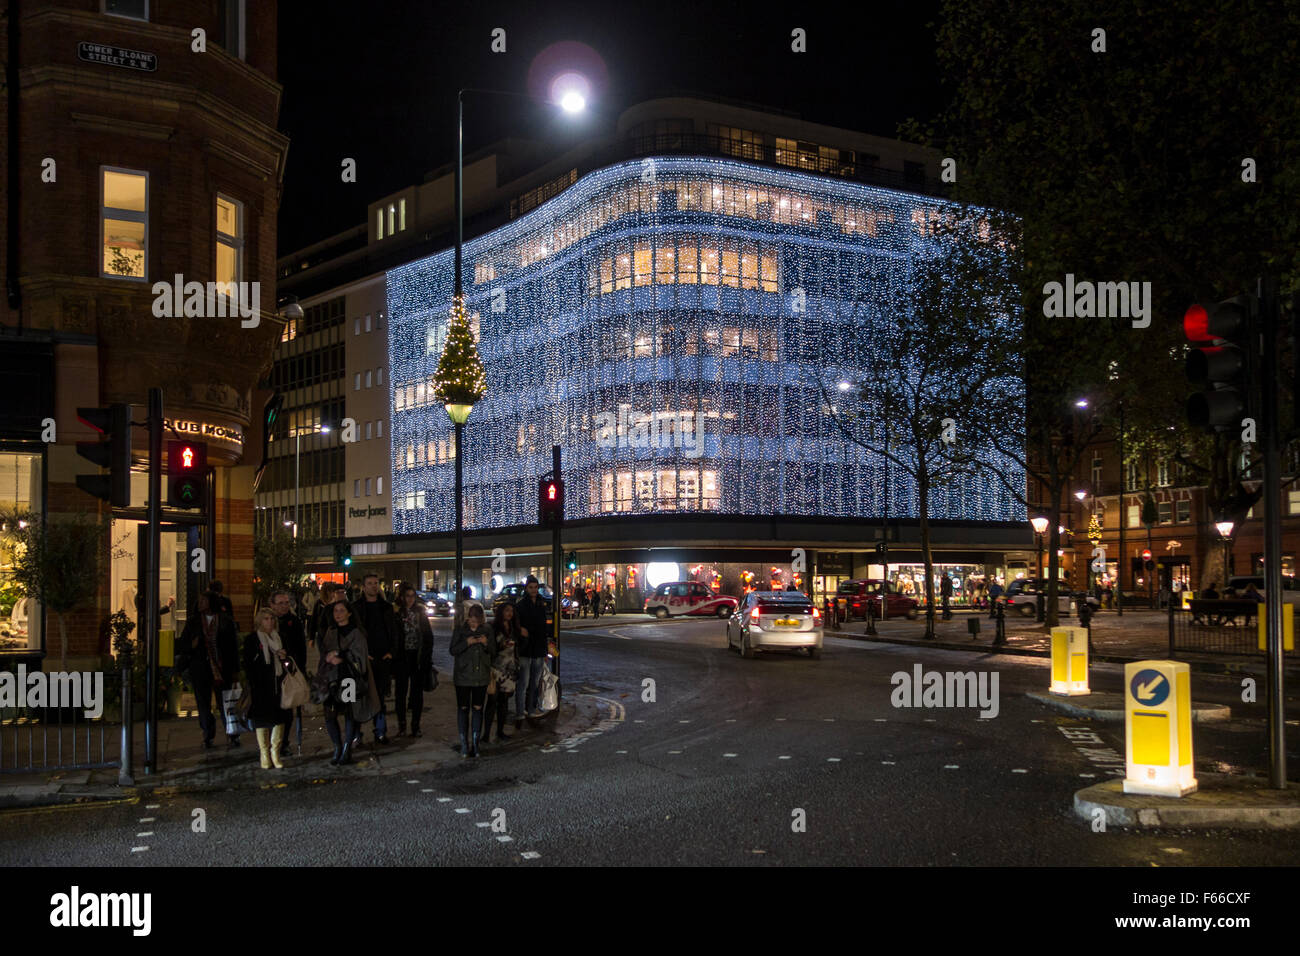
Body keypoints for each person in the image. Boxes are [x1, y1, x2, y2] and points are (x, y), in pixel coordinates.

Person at [318, 600, 379, 765]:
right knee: (329, 714)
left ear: (349, 613)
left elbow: (359, 656)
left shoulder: (356, 633)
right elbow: (323, 650)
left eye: (341, 610)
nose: (338, 614)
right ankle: (337, 746)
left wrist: (342, 656)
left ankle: (347, 748)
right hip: (331, 678)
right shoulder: (331, 631)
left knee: (349, 714)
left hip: (348, 678)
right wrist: (328, 656)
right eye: (335, 611)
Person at [177, 591, 240, 749]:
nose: (200, 604)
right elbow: (183, 644)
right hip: (201, 668)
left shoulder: (225, 621)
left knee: (225, 702)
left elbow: (233, 648)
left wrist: (235, 671)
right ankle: (207, 733)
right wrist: (192, 645)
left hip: (221, 668)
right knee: (203, 703)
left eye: (204, 601)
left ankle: (232, 733)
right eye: (199, 601)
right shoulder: (194, 622)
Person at [243, 608, 293, 770]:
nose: (269, 622)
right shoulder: (252, 639)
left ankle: (275, 752)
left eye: (272, 618)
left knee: (280, 718)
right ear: (259, 621)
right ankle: (264, 753)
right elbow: (248, 663)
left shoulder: (281, 638)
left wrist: (285, 658)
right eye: (266, 619)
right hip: (261, 685)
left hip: (279, 685)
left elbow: (290, 664)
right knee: (262, 720)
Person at [354, 572, 399, 744]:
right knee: (357, 696)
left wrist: (391, 653)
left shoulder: (386, 607)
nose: (373, 586)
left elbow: (394, 632)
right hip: (362, 659)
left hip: (382, 658)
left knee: (379, 697)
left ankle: (380, 731)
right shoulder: (356, 607)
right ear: (364, 587)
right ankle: (356, 733)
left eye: (376, 583)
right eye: (370, 583)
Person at [450, 603, 496, 757]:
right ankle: (464, 744)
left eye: (477, 619)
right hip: (463, 677)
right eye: (471, 619)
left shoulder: (487, 630)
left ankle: (475, 745)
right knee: (463, 709)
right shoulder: (460, 630)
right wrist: (467, 643)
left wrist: (485, 643)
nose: (474, 622)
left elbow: (493, 650)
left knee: (477, 709)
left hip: (481, 676)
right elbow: (453, 650)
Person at [394, 585, 435, 737]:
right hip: (402, 657)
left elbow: (428, 637)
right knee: (400, 693)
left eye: (412, 595)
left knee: (417, 693)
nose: (410, 598)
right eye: (407, 596)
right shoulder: (397, 613)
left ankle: (415, 726)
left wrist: (426, 657)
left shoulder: (420, 612)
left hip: (417, 657)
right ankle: (402, 725)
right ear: (402, 597)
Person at [270, 590, 307, 757]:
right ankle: (272, 741)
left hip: (289, 669)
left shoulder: (294, 621)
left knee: (287, 708)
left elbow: (301, 647)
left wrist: (300, 669)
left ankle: (284, 742)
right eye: (281, 603)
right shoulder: (269, 621)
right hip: (271, 672)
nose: (285, 606)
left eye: (286, 603)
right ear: (272, 605)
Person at [513, 576, 551, 724]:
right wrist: (520, 630)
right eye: (531, 587)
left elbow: (543, 627)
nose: (534, 590)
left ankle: (531, 708)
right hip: (526, 649)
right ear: (526, 588)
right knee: (523, 683)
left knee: (535, 682)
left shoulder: (542, 604)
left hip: (539, 648)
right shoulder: (521, 605)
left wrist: (546, 647)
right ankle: (519, 712)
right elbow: (516, 625)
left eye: (535, 587)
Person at [485, 602, 521, 742]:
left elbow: (519, 645)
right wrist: (502, 645)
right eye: (507, 610)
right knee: (492, 700)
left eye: (511, 611)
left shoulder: (513, 628)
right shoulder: (493, 627)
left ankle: (500, 731)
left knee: (504, 701)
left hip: (509, 668)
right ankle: (486, 733)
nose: (509, 613)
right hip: (496, 667)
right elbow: (489, 648)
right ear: (501, 612)